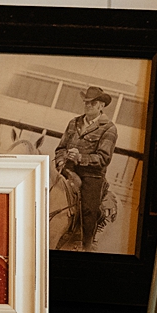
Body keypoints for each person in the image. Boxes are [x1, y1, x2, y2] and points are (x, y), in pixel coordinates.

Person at [58, 86, 118, 250]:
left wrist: (80, 158)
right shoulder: (74, 122)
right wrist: (62, 162)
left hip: (91, 176)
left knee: (88, 210)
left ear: (101, 105)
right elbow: (60, 148)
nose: (88, 105)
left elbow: (103, 158)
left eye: (93, 103)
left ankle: (86, 245)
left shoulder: (109, 128)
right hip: (67, 170)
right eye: (86, 102)